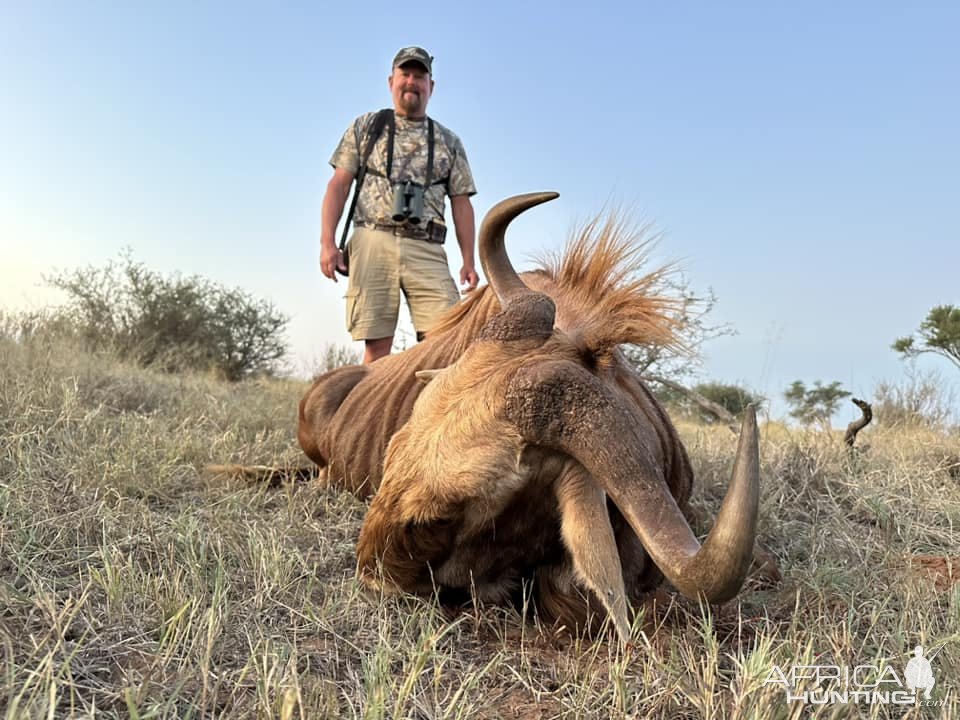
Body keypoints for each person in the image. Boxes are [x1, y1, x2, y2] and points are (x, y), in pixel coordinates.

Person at [320, 46, 479, 365]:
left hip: (427, 246)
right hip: (373, 239)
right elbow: (339, 183)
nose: (412, 82)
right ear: (391, 81)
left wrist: (468, 261)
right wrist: (327, 243)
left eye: (420, 76)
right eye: (405, 74)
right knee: (377, 350)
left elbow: (461, 202)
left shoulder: (448, 141)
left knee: (445, 345)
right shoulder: (367, 126)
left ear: (431, 87)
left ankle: (428, 415)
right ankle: (368, 415)